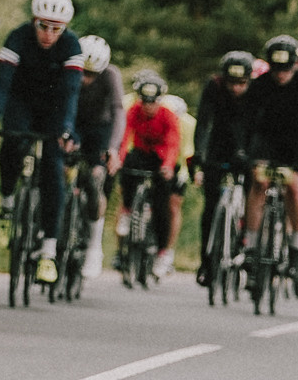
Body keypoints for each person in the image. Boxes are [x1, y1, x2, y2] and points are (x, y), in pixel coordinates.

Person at [0, 0, 86, 284]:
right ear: (33, 22)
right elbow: (1, 85)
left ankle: (49, 251)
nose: (49, 35)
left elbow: (71, 93)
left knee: (53, 168)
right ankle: (8, 199)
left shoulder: (72, 45)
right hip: (21, 101)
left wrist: (65, 128)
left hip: (54, 108)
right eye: (43, 26)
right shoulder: (18, 37)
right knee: (12, 141)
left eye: (56, 29)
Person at [242, 34, 298, 263]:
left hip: (296, 146)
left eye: (285, 70)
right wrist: (248, 153)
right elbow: (248, 123)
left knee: (295, 186)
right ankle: (252, 241)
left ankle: (297, 242)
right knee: (259, 183)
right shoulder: (259, 86)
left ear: (295, 65)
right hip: (266, 144)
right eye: (276, 69)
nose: (280, 75)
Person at [193, 52, 257, 284]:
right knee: (210, 206)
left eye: (241, 84)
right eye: (231, 83)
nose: (236, 89)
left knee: (253, 192)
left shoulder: (257, 91)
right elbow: (203, 122)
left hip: (248, 146)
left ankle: (246, 245)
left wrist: (249, 154)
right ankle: (206, 262)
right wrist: (199, 155)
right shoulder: (214, 87)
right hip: (219, 146)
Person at [116, 70, 183, 279]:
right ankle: (128, 209)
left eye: (152, 102)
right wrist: (118, 157)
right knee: (127, 167)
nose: (148, 107)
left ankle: (162, 250)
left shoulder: (168, 115)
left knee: (163, 205)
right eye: (144, 102)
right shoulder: (134, 111)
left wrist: (168, 165)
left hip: (161, 158)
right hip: (140, 153)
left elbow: (173, 143)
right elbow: (124, 135)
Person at [71, 34, 123, 278]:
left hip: (99, 130)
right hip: (73, 125)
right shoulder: (70, 67)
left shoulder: (111, 76)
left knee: (95, 179)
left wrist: (113, 148)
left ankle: (93, 246)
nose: (85, 79)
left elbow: (118, 112)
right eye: (83, 72)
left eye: (91, 75)